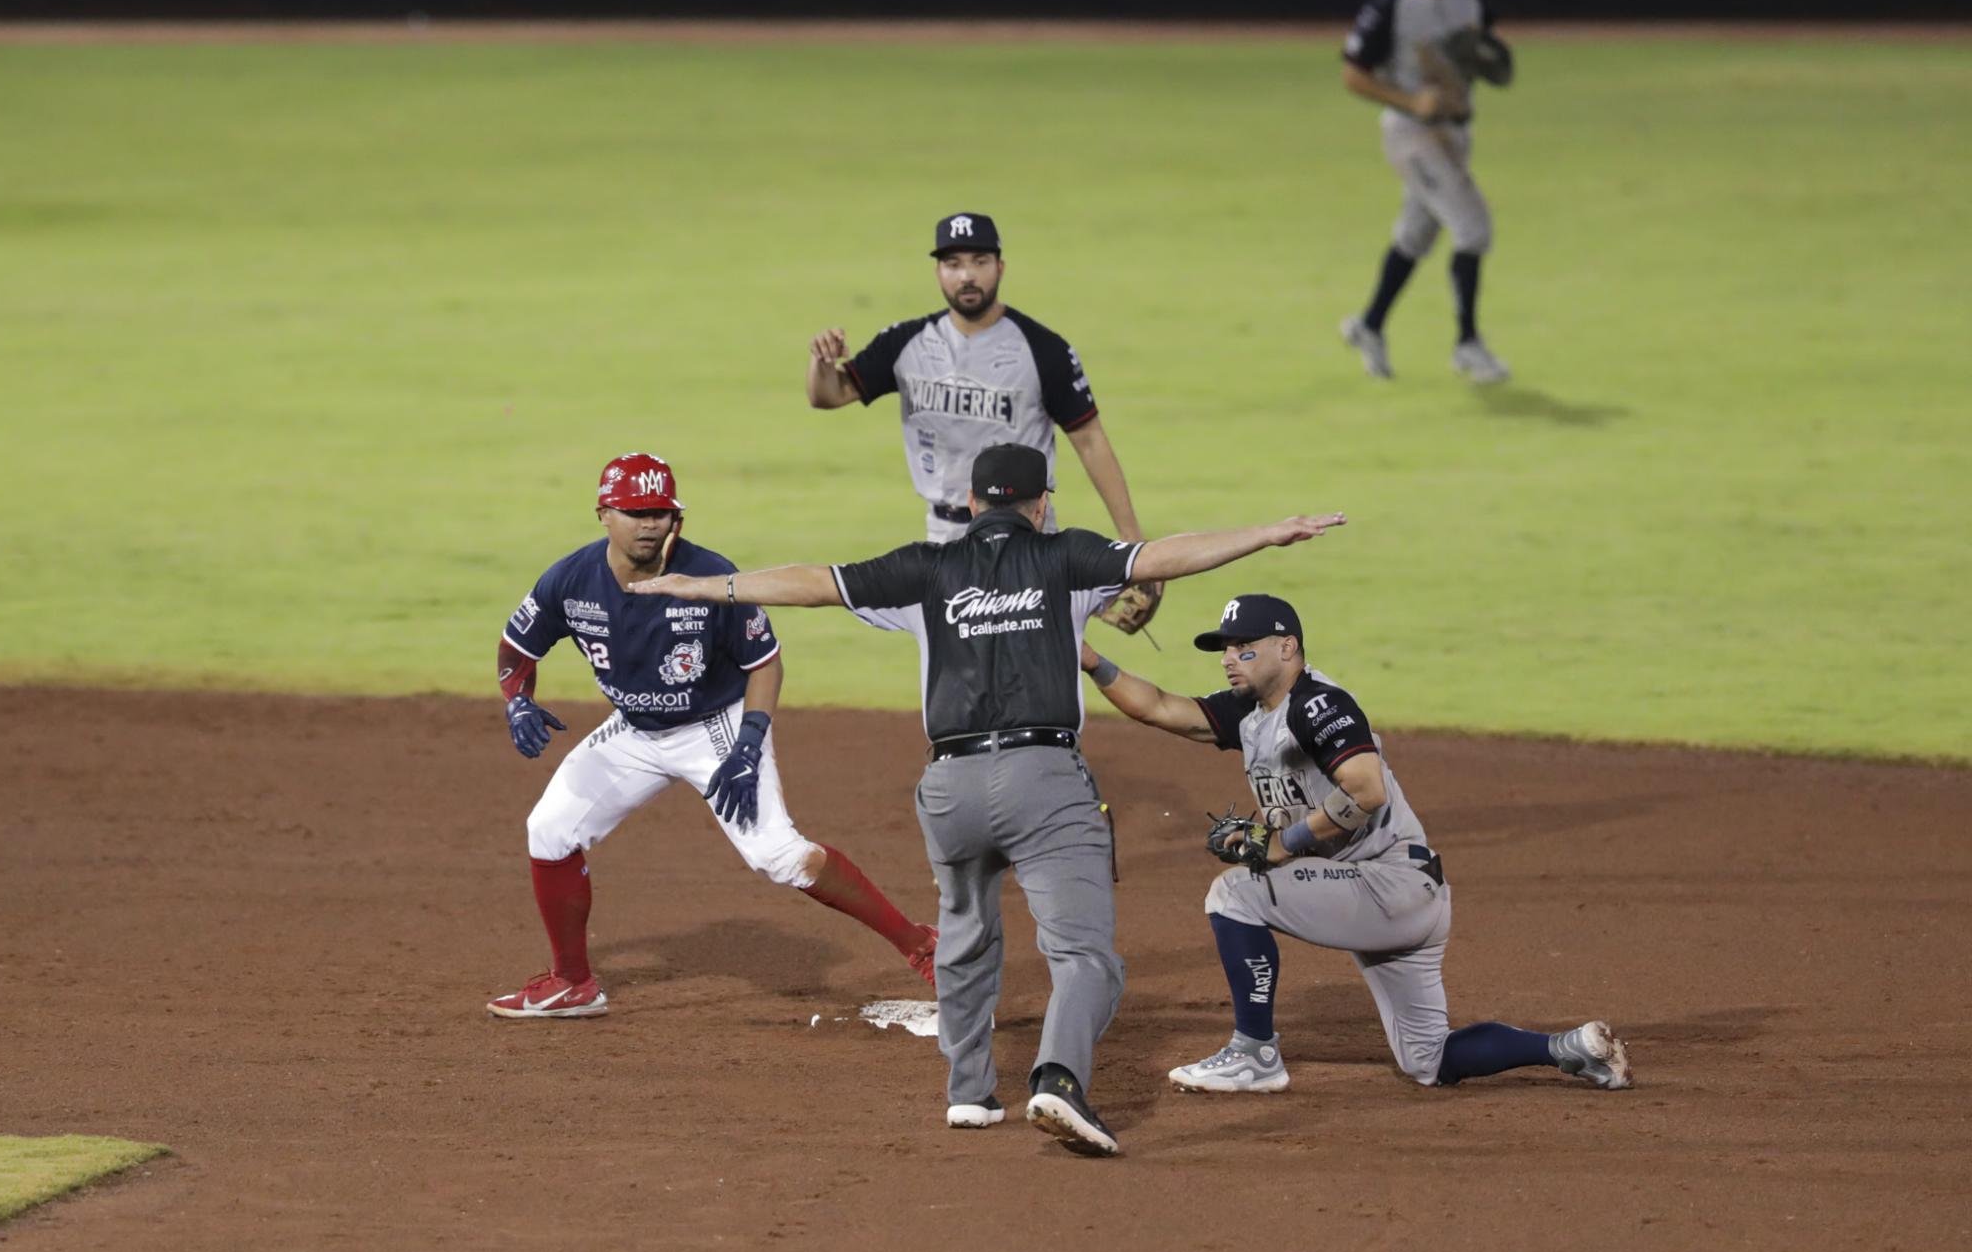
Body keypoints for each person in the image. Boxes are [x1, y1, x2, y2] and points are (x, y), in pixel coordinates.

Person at [628, 444, 1346, 1156]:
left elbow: (815, 581)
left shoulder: (926, 568)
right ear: (1040, 505)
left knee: (967, 936)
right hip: (1044, 781)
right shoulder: (1066, 556)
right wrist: (1267, 532)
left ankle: (968, 1092)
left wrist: (698, 587)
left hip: (950, 789)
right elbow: (1161, 557)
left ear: (971, 504)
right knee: (1083, 953)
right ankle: (1058, 1079)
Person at [1079, 594, 1633, 1094]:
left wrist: (1284, 843)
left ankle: (1254, 1054)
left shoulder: (1318, 705)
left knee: (1234, 893)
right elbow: (1154, 706)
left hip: (1390, 884)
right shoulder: (1251, 711)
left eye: (1244, 647)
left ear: (1287, 648)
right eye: (1225, 648)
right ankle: (1572, 1049)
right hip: (1389, 894)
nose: (1229, 658)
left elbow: (1364, 789)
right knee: (1428, 1060)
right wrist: (1087, 658)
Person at [485, 452, 938, 1019]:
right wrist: (517, 701)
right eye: (636, 511)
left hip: (716, 725)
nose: (650, 523)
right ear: (604, 513)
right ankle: (573, 982)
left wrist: (749, 743)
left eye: (661, 511)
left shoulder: (708, 576)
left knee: (780, 856)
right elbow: (516, 648)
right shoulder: (570, 581)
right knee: (548, 830)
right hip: (635, 729)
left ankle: (920, 943)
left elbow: (765, 663)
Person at [804, 212, 1163, 635]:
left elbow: (1089, 440)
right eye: (953, 264)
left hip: (1028, 535)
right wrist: (821, 363)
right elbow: (828, 395)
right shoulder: (906, 343)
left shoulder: (1042, 349)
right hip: (945, 536)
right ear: (938, 272)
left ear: (1000, 267)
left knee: (1038, 664)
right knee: (955, 672)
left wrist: (1135, 548)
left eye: (979, 261)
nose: (967, 275)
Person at [1337, 0, 1515, 385]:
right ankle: (1467, 345)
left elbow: (1478, 50)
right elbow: (1353, 75)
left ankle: (1370, 325)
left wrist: (1478, 72)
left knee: (1414, 237)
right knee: (1473, 229)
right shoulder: (1388, 7)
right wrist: (1411, 101)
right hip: (1410, 135)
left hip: (1452, 135)